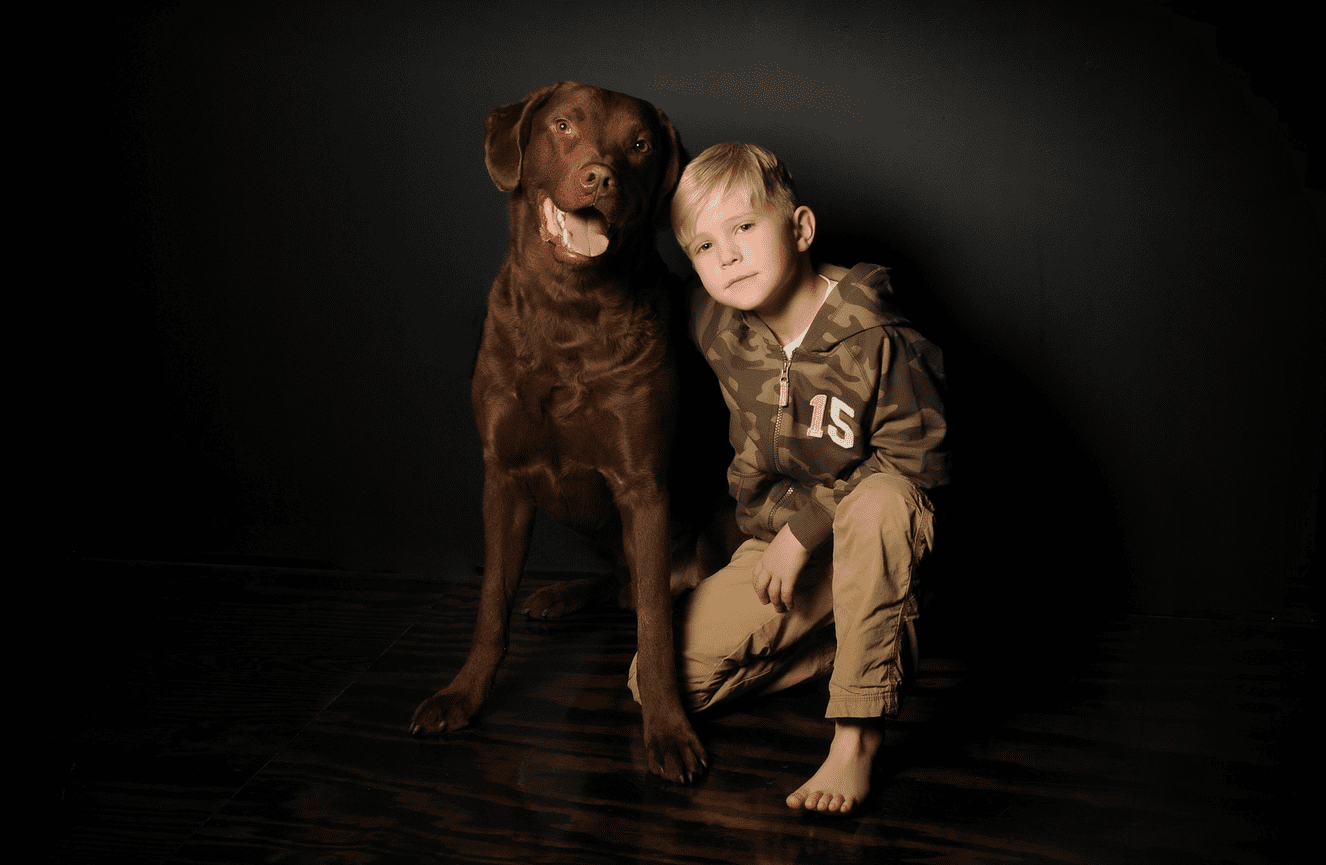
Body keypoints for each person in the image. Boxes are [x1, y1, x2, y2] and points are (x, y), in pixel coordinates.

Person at [629, 142, 951, 814]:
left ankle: (855, 738)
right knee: (651, 678)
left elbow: (918, 463)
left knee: (885, 502)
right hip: (778, 554)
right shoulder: (717, 316)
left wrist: (806, 533)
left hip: (859, 534)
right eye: (704, 246)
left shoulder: (874, 335)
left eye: (745, 227)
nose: (728, 256)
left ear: (800, 228)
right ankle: (858, 641)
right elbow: (641, 286)